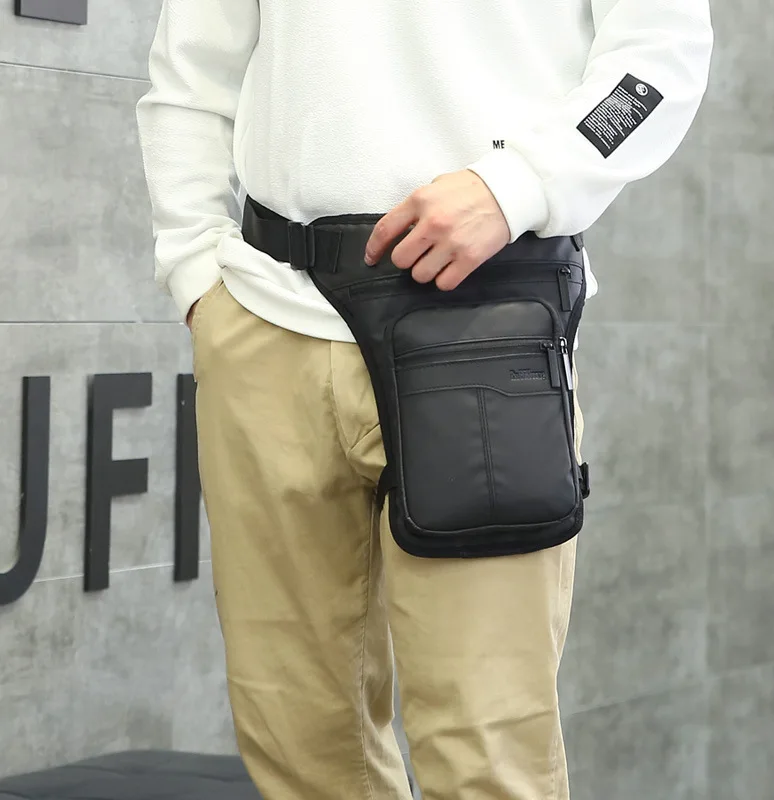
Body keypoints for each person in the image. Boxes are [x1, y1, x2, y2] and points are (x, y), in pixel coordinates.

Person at [136, 2, 713, 797]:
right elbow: (192, 70)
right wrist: (194, 270)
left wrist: (518, 185)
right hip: (267, 322)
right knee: (297, 739)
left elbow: (660, 59)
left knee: (486, 753)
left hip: (484, 328)